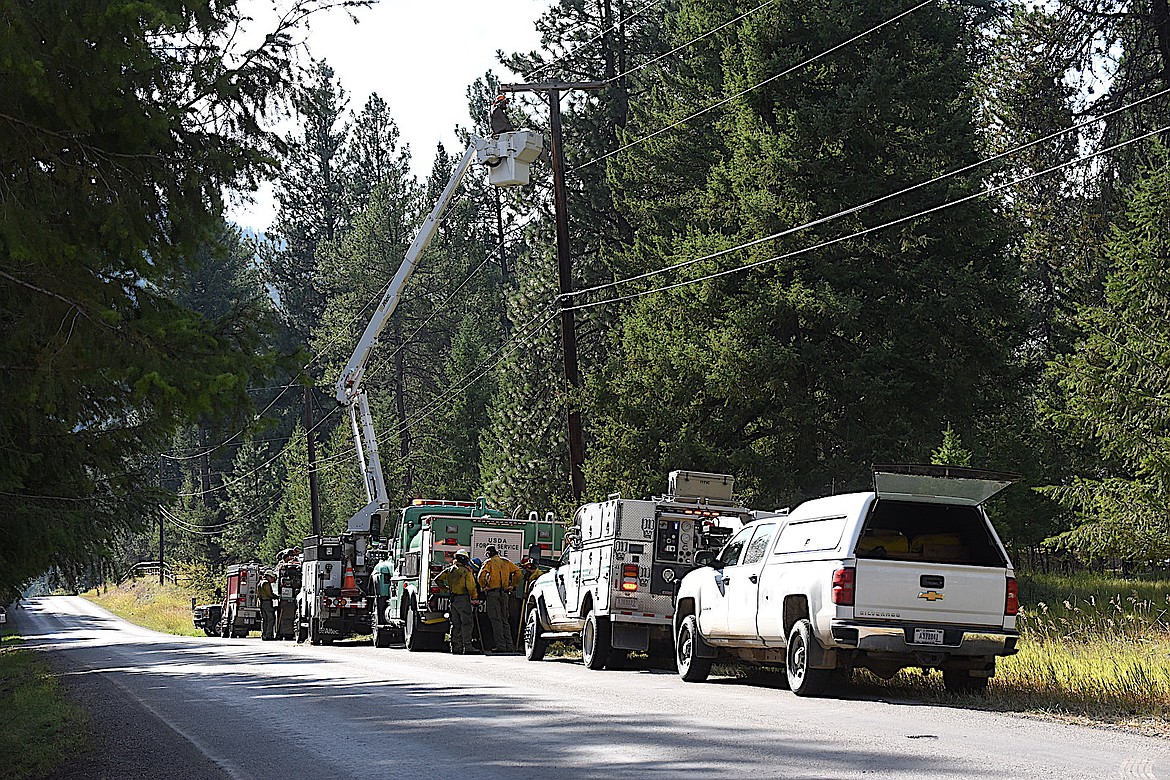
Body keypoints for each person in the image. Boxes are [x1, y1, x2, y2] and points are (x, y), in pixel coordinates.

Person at [477, 545, 521, 653]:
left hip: (493, 594)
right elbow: (518, 572)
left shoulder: (489, 562)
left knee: (496, 619)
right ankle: (509, 645)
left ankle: (501, 645)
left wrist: (483, 586)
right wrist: (513, 585)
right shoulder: (506, 562)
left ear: (488, 554)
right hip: (505, 594)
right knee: (505, 620)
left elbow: (480, 576)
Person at [435, 549, 479, 654]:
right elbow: (471, 586)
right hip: (463, 599)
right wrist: (474, 597)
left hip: (453, 599)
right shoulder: (465, 571)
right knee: (467, 623)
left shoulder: (450, 570)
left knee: (455, 624)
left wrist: (445, 589)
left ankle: (454, 646)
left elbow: (437, 579)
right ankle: (467, 647)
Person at [257, 572, 277, 641]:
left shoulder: (259, 583)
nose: (272, 581)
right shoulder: (266, 583)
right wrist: (275, 596)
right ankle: (269, 635)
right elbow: (269, 594)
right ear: (269, 577)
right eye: (272, 579)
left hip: (261, 603)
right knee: (271, 619)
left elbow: (258, 595)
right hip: (267, 602)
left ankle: (264, 635)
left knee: (264, 620)